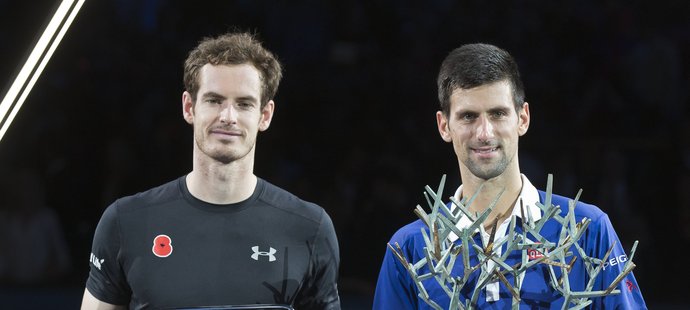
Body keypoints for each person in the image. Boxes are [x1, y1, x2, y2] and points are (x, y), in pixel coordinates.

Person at [373, 43, 646, 309]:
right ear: (444, 126)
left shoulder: (586, 229)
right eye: (468, 116)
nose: (484, 133)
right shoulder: (408, 249)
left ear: (523, 118)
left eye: (498, 114)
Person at [81, 32, 341, 309]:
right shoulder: (125, 222)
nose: (228, 117)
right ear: (189, 107)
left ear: (265, 115)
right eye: (214, 100)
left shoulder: (309, 227)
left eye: (244, 104)